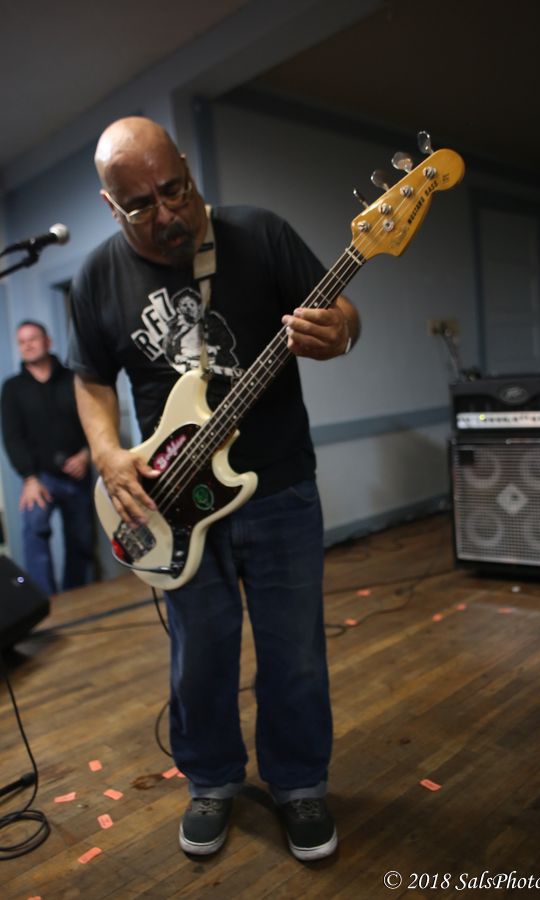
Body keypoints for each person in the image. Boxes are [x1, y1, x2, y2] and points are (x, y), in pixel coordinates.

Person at [68, 116, 360, 861]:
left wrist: (342, 333)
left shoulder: (259, 233)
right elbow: (91, 378)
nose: (167, 213)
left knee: (294, 650)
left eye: (175, 189)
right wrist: (107, 454)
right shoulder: (97, 277)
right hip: (171, 504)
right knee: (199, 655)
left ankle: (300, 784)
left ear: (187, 167)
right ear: (110, 205)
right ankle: (211, 781)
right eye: (141, 205)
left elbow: (341, 312)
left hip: (279, 485)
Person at [1, 320, 94, 595]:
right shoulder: (13, 388)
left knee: (81, 541)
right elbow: (12, 438)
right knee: (35, 534)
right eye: (22, 341)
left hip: (78, 474)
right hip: (40, 480)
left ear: (48, 341)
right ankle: (47, 600)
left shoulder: (73, 379)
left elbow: (93, 420)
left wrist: (87, 454)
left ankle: (78, 597)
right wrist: (29, 478)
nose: (27, 345)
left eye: (33, 338)